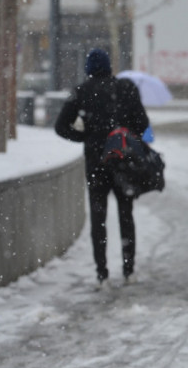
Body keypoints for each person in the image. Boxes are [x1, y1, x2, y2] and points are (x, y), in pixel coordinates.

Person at [54, 48, 149, 287]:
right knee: (126, 215)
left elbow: (60, 126)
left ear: (88, 69)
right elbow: (143, 123)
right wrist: (125, 136)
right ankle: (129, 270)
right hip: (123, 162)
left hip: (96, 163)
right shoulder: (126, 88)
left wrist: (85, 136)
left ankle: (102, 274)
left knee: (99, 218)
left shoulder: (81, 92)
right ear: (109, 67)